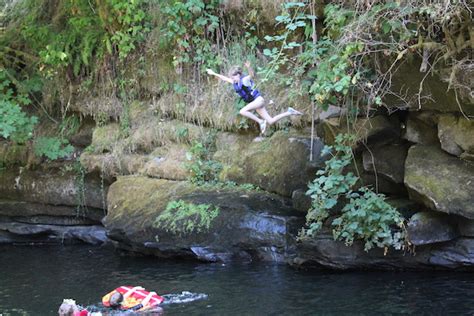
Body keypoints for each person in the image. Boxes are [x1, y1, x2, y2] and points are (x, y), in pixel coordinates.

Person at [206, 61, 303, 135]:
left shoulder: (244, 80)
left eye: (233, 77)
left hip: (258, 100)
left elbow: (251, 75)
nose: (232, 79)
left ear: (238, 75)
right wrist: (213, 73)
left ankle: (260, 121)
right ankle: (290, 112)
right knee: (271, 121)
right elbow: (223, 78)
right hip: (256, 104)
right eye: (231, 77)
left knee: (242, 111)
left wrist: (249, 67)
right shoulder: (235, 82)